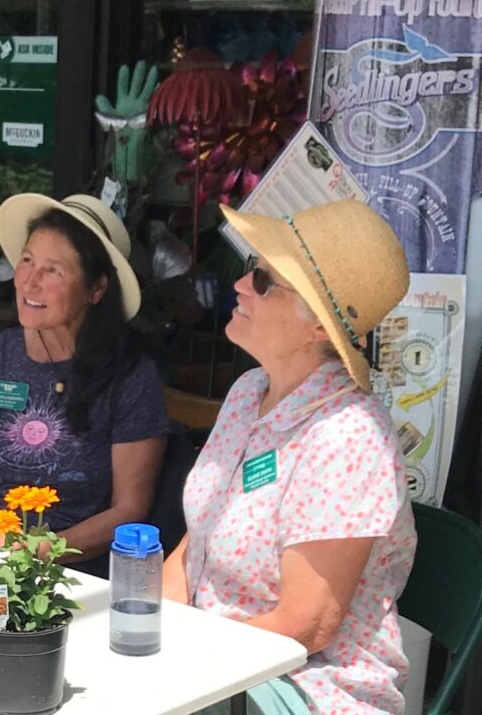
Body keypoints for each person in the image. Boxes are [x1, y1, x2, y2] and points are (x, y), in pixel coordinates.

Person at [162, 200, 416, 715]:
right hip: (213, 667)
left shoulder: (348, 435)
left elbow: (307, 625)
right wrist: (150, 630)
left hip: (300, 685)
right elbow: (197, 543)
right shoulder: (248, 391)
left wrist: (184, 660)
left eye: (261, 279)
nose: (239, 284)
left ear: (317, 328)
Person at [0, 193, 169, 574]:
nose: (29, 281)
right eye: (27, 261)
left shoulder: (129, 378)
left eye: (53, 270)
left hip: (71, 564)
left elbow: (129, 510)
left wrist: (42, 552)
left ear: (96, 289)